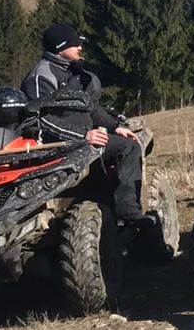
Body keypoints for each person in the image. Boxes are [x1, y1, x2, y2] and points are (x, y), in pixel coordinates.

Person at [22, 24, 147, 228]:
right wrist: (83, 135)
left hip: (85, 141)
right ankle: (128, 215)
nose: (80, 47)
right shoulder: (41, 76)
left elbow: (91, 108)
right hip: (60, 146)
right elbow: (39, 120)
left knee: (129, 145)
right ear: (60, 47)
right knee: (128, 148)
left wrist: (115, 126)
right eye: (75, 44)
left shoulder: (74, 71)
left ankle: (126, 214)